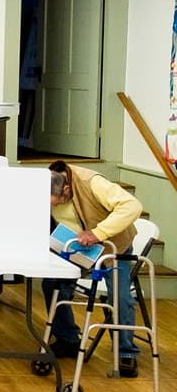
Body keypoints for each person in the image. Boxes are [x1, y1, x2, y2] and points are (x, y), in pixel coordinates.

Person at [42, 160, 142, 376]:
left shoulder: (91, 182)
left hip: (112, 245)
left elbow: (132, 206)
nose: (55, 208)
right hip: (77, 246)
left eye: (57, 203)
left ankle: (126, 352)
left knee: (120, 296)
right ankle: (68, 338)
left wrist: (98, 233)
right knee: (52, 283)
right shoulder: (45, 182)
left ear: (66, 189)